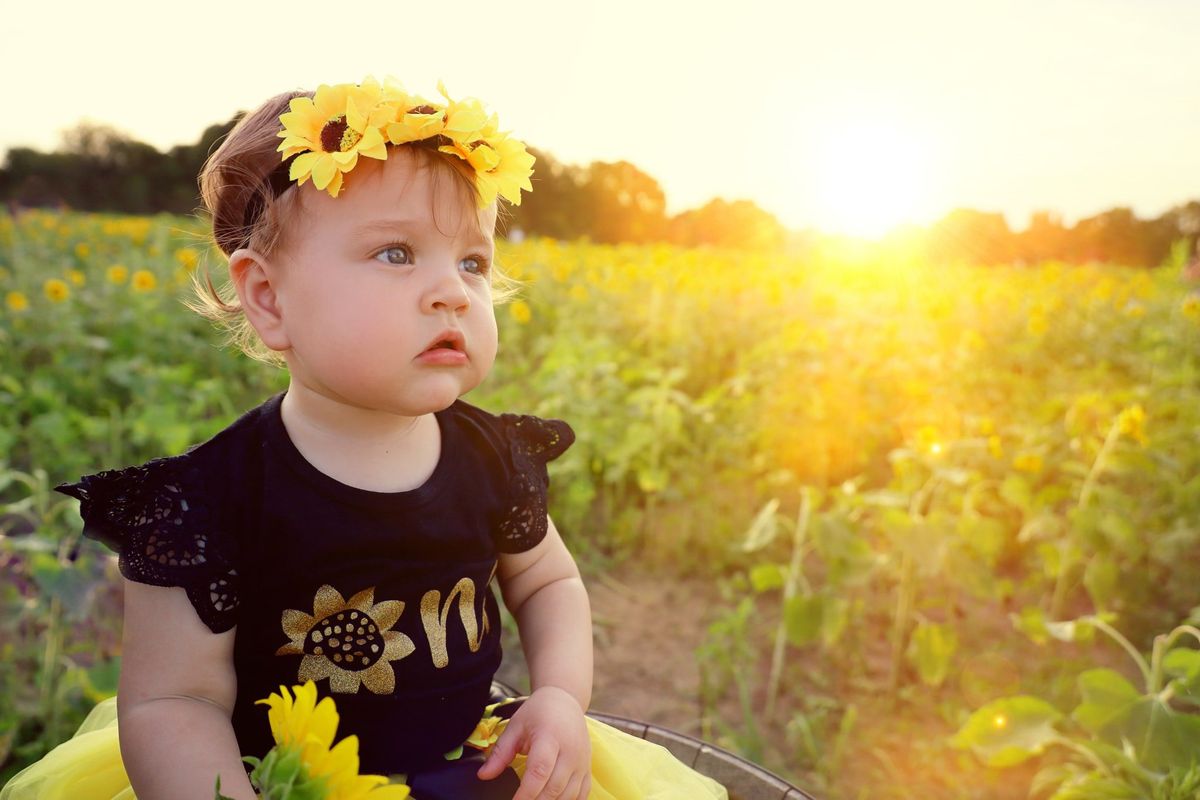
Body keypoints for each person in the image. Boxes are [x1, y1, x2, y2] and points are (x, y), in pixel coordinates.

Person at [0, 78, 728, 800]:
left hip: (470, 773)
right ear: (268, 297)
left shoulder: (490, 458)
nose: (452, 290)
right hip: (282, 784)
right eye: (395, 254)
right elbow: (172, 703)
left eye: (472, 262)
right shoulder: (206, 502)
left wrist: (561, 697)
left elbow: (548, 580)